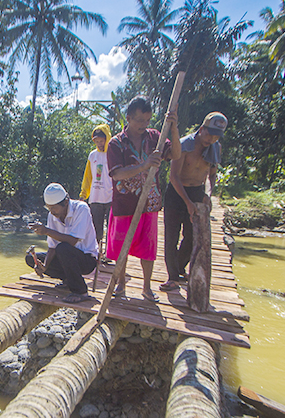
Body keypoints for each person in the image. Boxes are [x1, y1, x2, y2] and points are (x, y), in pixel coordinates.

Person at [106, 96, 181, 302]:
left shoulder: (155, 137)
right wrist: (144, 165)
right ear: (128, 118)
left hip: (149, 204)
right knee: (122, 246)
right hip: (124, 204)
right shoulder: (116, 144)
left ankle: (146, 288)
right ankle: (121, 284)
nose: (143, 125)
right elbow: (117, 174)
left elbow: (175, 154)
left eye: (147, 120)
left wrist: (173, 129)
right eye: (139, 120)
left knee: (148, 248)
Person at [161, 111, 228, 292]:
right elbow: (174, 177)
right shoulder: (183, 145)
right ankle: (172, 277)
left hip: (197, 192)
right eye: (209, 134)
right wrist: (188, 203)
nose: (211, 139)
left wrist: (208, 194)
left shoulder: (215, 149)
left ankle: (180, 266)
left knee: (192, 236)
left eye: (216, 136)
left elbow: (211, 175)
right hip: (177, 193)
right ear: (201, 129)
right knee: (171, 236)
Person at [25, 183, 98, 304]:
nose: (52, 212)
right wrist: (45, 266)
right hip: (66, 257)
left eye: (54, 208)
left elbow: (73, 241)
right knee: (31, 258)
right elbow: (52, 247)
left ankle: (81, 291)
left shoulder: (81, 209)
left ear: (65, 202)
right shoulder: (52, 215)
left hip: (87, 260)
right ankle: (68, 280)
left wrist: (47, 231)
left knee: (63, 248)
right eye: (49, 208)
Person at [79, 124, 113, 252]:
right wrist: (83, 194)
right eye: (97, 141)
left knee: (111, 228)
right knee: (95, 228)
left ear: (107, 139)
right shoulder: (92, 155)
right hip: (95, 198)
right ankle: (97, 252)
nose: (99, 144)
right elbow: (87, 177)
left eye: (101, 141)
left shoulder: (113, 154)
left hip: (111, 197)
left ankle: (109, 253)